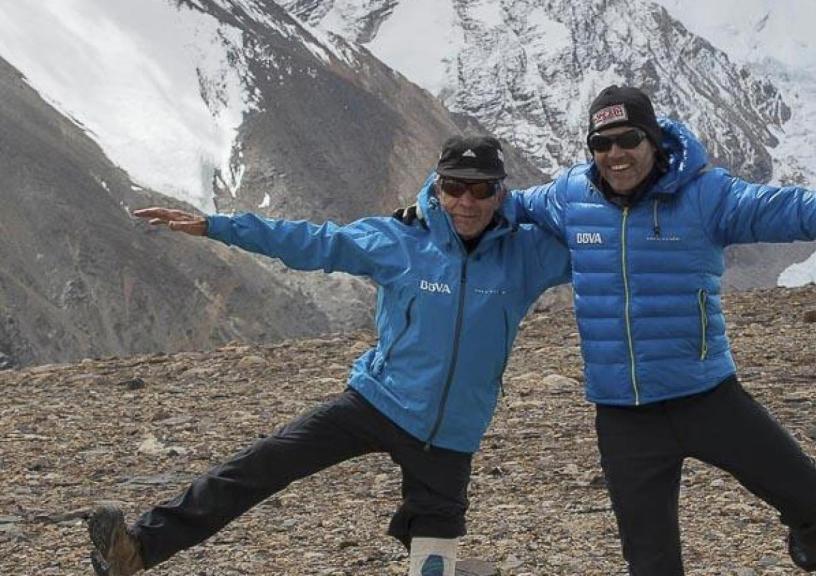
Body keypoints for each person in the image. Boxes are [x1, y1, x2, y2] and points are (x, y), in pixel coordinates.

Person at [504, 86, 816, 576]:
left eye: (628, 139)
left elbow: (794, 209)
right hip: (624, 414)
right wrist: (424, 207)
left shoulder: (706, 196)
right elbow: (496, 203)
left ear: (654, 141)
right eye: (602, 144)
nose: (615, 154)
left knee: (812, 499)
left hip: (705, 396)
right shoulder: (570, 197)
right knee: (650, 561)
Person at [86, 136, 570, 576]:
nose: (466, 201)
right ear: (438, 187)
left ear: (501, 193)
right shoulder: (400, 240)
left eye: (481, 190)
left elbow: (606, 243)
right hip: (376, 403)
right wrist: (219, 227)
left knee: (434, 566)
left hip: (452, 434)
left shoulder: (527, 255)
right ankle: (139, 549)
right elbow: (314, 243)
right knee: (261, 465)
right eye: (454, 187)